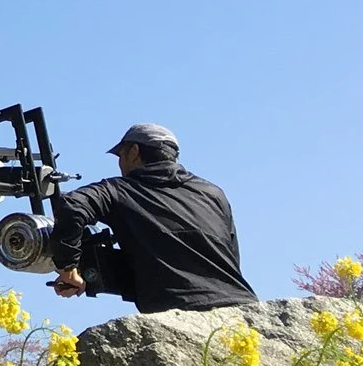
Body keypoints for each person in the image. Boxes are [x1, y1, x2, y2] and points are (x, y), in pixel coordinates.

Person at [52, 122, 256, 314]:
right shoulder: (213, 193)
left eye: (121, 156)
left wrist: (68, 267)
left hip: (180, 310)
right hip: (242, 306)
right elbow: (232, 255)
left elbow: (73, 205)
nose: (120, 164)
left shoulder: (118, 190)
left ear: (134, 152)